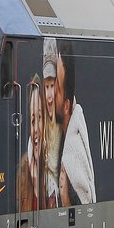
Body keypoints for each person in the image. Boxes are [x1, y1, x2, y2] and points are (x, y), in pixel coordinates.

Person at [57, 39, 96, 205]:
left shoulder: (72, 158)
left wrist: (65, 196)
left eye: (56, 88)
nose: (49, 97)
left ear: (67, 106)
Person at [16, 75, 43, 213]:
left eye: (40, 117)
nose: (36, 129)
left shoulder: (62, 172)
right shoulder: (24, 169)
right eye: (33, 122)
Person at [41, 39, 63, 208]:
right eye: (46, 86)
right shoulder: (39, 129)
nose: (49, 96)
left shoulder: (68, 123)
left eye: (52, 86)